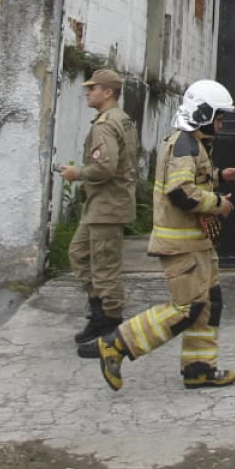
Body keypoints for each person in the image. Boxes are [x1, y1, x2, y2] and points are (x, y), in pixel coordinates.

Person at [95, 78, 235, 391]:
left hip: (195, 243)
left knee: (208, 303)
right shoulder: (185, 144)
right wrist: (218, 205)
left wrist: (218, 176)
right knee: (187, 308)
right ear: (202, 114)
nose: (221, 124)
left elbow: (192, 177)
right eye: (218, 116)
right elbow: (181, 192)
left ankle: (200, 368)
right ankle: (117, 343)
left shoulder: (191, 143)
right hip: (181, 244)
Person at [63, 69, 139, 355]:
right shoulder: (123, 120)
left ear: (107, 92)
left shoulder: (106, 125)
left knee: (105, 268)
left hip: (108, 205)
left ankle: (110, 328)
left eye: (93, 88)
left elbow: (105, 167)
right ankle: (98, 314)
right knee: (79, 254)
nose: (87, 92)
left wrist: (76, 173)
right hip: (102, 205)